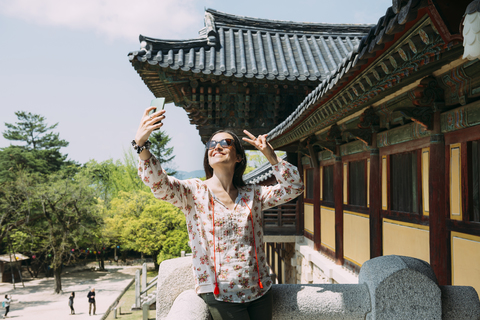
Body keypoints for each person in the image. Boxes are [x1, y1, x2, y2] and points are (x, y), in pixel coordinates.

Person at [134, 105, 304, 320]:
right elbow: (159, 185)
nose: (217, 147)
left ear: (239, 157)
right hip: (221, 295)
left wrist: (271, 157)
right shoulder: (194, 192)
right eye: (211, 144)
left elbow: (294, 187)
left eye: (226, 142)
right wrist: (141, 145)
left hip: (261, 291)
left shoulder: (254, 194)